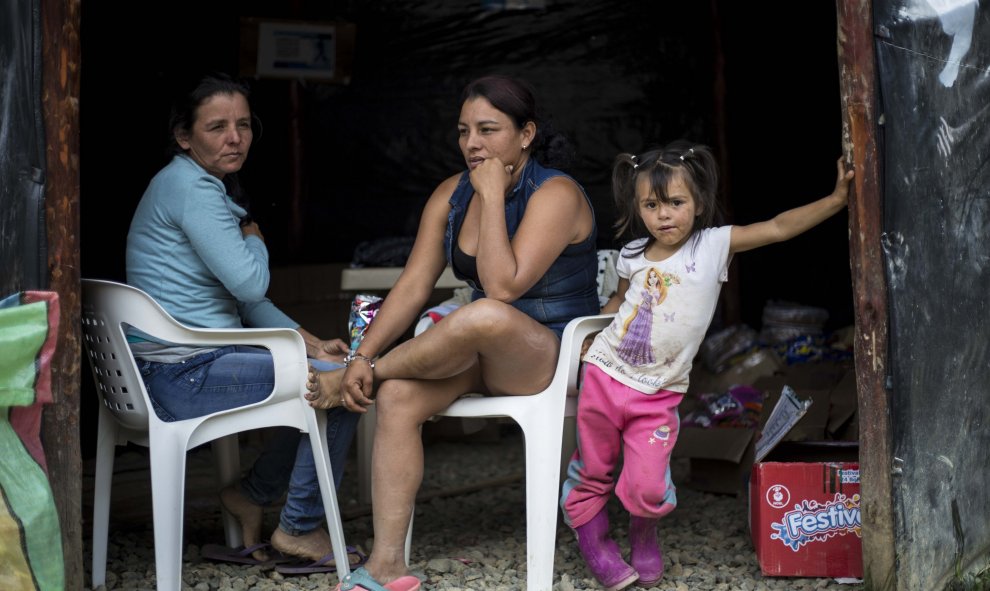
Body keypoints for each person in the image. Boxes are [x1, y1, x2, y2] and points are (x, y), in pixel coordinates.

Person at [306, 74, 599, 591]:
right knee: (397, 396)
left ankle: (365, 374)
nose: (472, 144)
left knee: (484, 313)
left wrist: (489, 196)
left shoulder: (556, 193)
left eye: (488, 130)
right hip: (480, 353)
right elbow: (413, 286)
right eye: (464, 131)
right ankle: (386, 564)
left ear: (526, 134)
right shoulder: (450, 194)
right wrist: (361, 352)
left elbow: (503, 287)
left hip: (547, 356)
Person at [558, 140, 854, 590]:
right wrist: (592, 338)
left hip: (659, 392)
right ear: (639, 209)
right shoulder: (633, 254)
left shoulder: (714, 245)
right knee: (594, 467)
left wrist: (835, 201)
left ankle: (643, 529)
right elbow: (619, 303)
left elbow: (776, 227)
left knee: (650, 483)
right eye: (651, 205)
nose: (664, 215)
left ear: (698, 204)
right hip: (605, 374)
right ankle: (594, 538)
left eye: (676, 202)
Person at [125, 72, 361, 569]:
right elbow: (252, 284)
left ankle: (253, 496)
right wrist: (255, 238)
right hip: (180, 373)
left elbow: (247, 304)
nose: (235, 137)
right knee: (346, 385)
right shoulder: (193, 189)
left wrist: (312, 344)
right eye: (217, 127)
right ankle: (298, 526)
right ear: (184, 136)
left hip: (179, 363)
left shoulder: (192, 184)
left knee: (330, 373)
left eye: (244, 124)